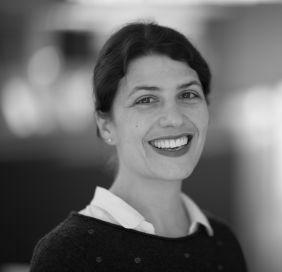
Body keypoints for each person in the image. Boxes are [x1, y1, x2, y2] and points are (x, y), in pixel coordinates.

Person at [30, 21, 247, 272]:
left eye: (188, 95)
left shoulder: (222, 242)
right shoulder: (67, 255)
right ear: (106, 126)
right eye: (146, 99)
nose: (175, 118)